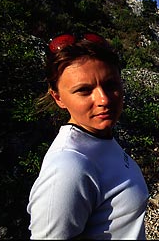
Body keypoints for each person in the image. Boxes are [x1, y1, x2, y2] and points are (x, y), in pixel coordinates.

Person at [27, 32, 150, 239]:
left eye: (111, 84)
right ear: (58, 97)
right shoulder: (67, 169)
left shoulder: (99, 136)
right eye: (84, 90)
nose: (103, 99)